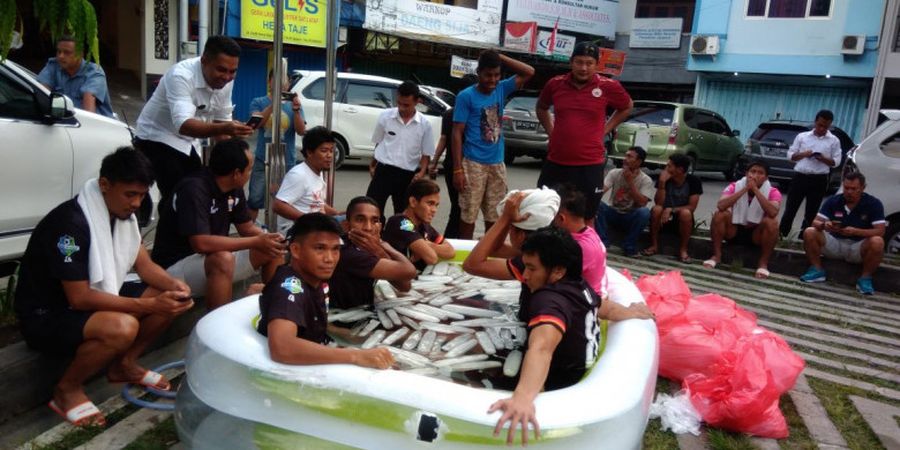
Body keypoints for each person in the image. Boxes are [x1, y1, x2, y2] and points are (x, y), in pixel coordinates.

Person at [14, 148, 193, 427]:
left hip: (88, 300)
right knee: (123, 326)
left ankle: (124, 364)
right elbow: (80, 297)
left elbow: (144, 266)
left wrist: (176, 286)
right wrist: (146, 306)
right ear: (105, 185)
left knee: (168, 297)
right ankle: (67, 389)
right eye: (130, 194)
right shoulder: (70, 224)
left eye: (142, 195)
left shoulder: (122, 216)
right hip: (47, 313)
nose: (136, 203)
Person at [484, 226, 653, 446]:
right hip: (580, 368)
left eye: (532, 268)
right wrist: (630, 312)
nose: (524, 276)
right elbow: (605, 308)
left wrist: (523, 397)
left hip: (559, 380)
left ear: (557, 271)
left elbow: (542, 347)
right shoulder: (578, 285)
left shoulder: (549, 301)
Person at [151, 139, 286, 309]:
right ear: (236, 173)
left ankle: (277, 310)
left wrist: (270, 238)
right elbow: (201, 243)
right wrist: (256, 241)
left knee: (273, 248)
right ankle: (217, 326)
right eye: (249, 169)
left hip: (209, 262)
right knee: (222, 259)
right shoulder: (194, 188)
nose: (250, 173)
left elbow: (246, 227)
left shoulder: (234, 188)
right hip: (173, 269)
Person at [257, 213, 394, 369]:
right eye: (320, 248)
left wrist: (366, 340)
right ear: (295, 250)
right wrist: (356, 355)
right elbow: (282, 348)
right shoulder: (290, 287)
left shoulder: (315, 280)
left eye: (335, 249)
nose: (329, 258)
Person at [134, 35, 253, 208]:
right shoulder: (181, 75)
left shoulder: (226, 80)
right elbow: (184, 125)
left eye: (232, 71)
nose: (227, 77)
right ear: (204, 61)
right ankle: (175, 232)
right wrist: (226, 128)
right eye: (221, 70)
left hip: (187, 142)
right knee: (180, 196)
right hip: (156, 137)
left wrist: (235, 155)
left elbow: (222, 120)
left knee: (197, 189)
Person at [535, 41, 633, 223]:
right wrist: (552, 132)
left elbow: (627, 107)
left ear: (596, 65)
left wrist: (605, 130)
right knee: (545, 213)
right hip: (557, 162)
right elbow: (541, 107)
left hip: (589, 165)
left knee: (586, 217)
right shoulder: (555, 84)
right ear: (571, 62)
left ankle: (586, 251)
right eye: (579, 62)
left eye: (589, 63)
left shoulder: (608, 86)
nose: (584, 68)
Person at [452, 50, 534, 239]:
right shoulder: (466, 96)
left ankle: (488, 255)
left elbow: (529, 72)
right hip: (473, 163)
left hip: (497, 163)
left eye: (497, 75)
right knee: (468, 215)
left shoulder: (501, 88)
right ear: (478, 72)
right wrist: (458, 170)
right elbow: (457, 132)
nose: (493, 80)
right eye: (488, 75)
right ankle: (466, 257)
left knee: (495, 213)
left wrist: (499, 56)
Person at [800, 172, 885, 295]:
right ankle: (816, 270)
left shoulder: (874, 204)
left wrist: (856, 231)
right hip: (835, 243)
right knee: (810, 232)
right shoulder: (834, 200)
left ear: (863, 188)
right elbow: (815, 222)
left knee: (877, 241)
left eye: (853, 189)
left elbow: (880, 231)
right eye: (846, 188)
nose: (849, 192)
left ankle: (865, 278)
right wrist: (824, 225)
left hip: (858, 247)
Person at [328, 196, 418, 309]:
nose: (368, 228)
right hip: (344, 319)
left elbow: (404, 285)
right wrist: (381, 247)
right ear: (347, 225)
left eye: (374, 221)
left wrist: (379, 247)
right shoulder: (347, 252)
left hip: (361, 310)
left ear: (380, 226)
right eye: (360, 220)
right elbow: (410, 271)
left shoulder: (367, 247)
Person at [366, 81, 436, 216]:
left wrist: (421, 173)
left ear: (417, 102)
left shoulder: (425, 125)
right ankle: (376, 235)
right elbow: (379, 142)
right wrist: (373, 164)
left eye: (406, 105)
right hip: (383, 171)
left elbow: (426, 154)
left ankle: (402, 237)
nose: (402, 108)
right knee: (372, 210)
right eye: (399, 103)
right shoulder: (385, 117)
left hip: (407, 175)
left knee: (404, 216)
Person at [703, 160, 781, 279]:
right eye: (753, 171)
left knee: (772, 222)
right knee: (720, 214)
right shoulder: (735, 186)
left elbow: (773, 212)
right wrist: (745, 189)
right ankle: (716, 255)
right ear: (746, 174)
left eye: (760, 173)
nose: (755, 175)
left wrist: (755, 190)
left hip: (756, 233)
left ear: (766, 178)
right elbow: (721, 205)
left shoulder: (773, 192)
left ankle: (763, 264)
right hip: (735, 228)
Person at [247, 69, 307, 221]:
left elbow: (301, 131)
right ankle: (248, 233)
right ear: (269, 82)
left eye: (284, 80)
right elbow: (256, 124)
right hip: (263, 158)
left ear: (288, 84)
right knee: (255, 198)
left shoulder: (294, 105)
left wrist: (297, 111)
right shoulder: (258, 102)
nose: (281, 83)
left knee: (285, 201)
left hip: (287, 160)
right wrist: (274, 103)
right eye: (276, 79)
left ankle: (281, 232)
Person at [779, 110, 842, 237]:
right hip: (800, 176)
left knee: (812, 212)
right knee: (791, 208)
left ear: (830, 125)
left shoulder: (834, 140)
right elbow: (790, 156)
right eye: (820, 125)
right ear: (815, 122)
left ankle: (805, 238)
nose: (822, 128)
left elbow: (836, 162)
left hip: (819, 178)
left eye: (826, 126)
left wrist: (823, 158)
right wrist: (803, 154)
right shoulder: (802, 137)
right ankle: (782, 234)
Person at [273, 126, 340, 233]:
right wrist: (309, 221)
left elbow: (317, 203)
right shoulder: (299, 175)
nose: (329, 156)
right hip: (296, 230)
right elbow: (278, 206)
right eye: (324, 151)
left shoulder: (317, 171)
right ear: (309, 152)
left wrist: (338, 214)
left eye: (331, 151)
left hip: (315, 226)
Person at [382, 179, 455, 270]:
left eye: (436, 205)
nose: (434, 210)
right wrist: (427, 247)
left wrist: (425, 244)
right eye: (430, 203)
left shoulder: (424, 226)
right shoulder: (401, 222)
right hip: (393, 280)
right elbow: (431, 258)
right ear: (413, 202)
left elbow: (450, 251)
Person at [37, 35, 115, 118]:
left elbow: (89, 114)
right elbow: (41, 95)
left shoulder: (94, 72)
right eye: (59, 51)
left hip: (96, 126)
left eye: (67, 52)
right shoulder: (53, 65)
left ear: (80, 54)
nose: (61, 56)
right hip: (62, 122)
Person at [596, 146, 654, 256]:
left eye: (630, 157)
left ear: (639, 162)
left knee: (644, 212)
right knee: (597, 204)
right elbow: (601, 191)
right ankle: (603, 242)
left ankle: (629, 246)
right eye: (625, 156)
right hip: (613, 212)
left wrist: (630, 182)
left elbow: (642, 203)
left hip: (630, 215)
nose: (625, 159)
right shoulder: (615, 173)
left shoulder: (646, 180)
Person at [553, 184, 609, 298]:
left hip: (589, 300)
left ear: (561, 218)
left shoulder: (580, 247)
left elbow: (552, 276)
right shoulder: (588, 231)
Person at [645, 154, 703, 262]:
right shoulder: (664, 179)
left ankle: (683, 250)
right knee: (656, 209)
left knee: (686, 213)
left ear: (680, 170)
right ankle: (654, 245)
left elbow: (692, 207)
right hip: (663, 217)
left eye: (669, 166)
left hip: (680, 218)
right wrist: (662, 185)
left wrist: (672, 209)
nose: (666, 169)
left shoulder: (693, 181)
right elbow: (658, 202)